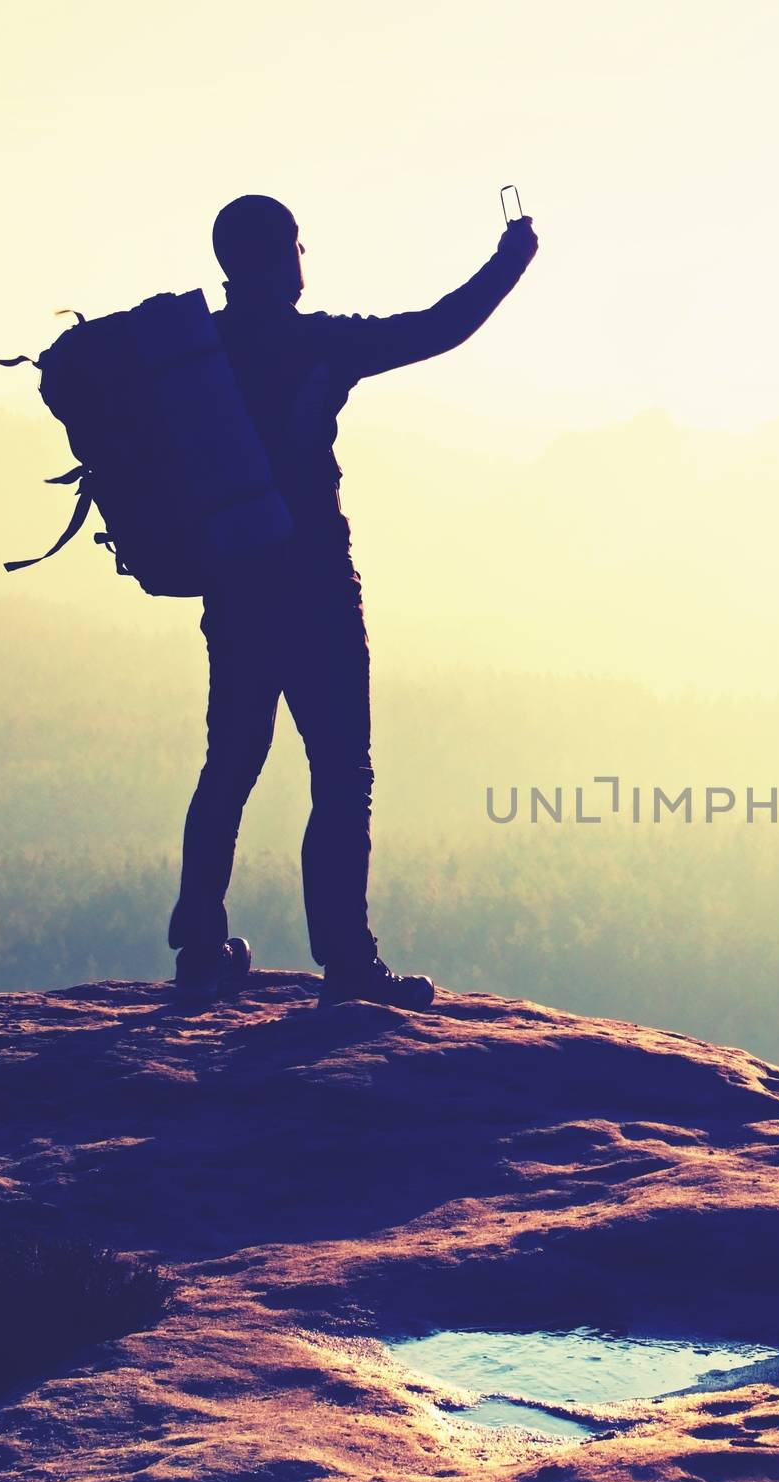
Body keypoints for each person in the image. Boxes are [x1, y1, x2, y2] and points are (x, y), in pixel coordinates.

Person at [169, 194, 538, 1007]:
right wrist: (512, 259)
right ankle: (348, 964)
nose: (308, 262)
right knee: (341, 773)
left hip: (233, 592)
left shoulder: (194, 353)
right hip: (315, 593)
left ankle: (199, 947)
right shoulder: (316, 344)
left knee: (230, 764)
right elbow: (438, 327)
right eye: (301, 247)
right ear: (279, 259)